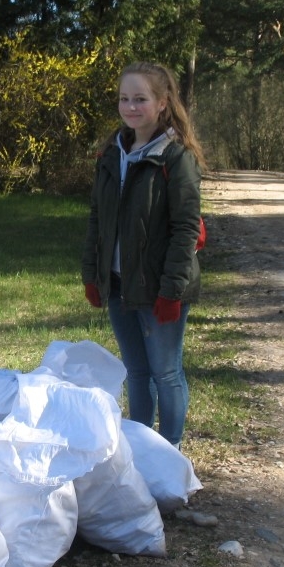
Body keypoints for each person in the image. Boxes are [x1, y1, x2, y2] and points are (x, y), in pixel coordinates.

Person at [81, 61, 206, 447]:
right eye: (124, 98)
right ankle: (139, 450)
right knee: (135, 371)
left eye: (140, 99)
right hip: (119, 284)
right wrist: (93, 274)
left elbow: (187, 229)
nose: (131, 107)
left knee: (165, 372)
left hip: (160, 288)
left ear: (162, 103)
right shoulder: (112, 152)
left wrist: (172, 290)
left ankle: (169, 452)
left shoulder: (175, 157)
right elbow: (98, 219)